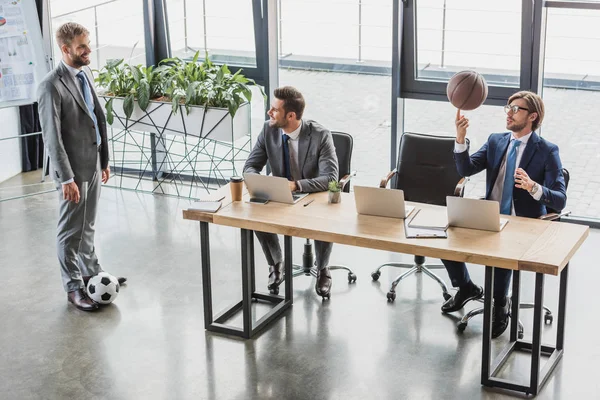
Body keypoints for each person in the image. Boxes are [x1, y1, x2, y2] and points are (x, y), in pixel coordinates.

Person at [440, 91, 566, 338]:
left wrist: (533, 187)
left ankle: (500, 304)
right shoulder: (496, 141)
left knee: (502, 251)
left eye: (516, 109)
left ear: (532, 116)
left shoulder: (547, 151)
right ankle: (466, 287)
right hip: (491, 215)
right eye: (508, 107)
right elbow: (466, 168)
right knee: (445, 236)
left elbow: (560, 200)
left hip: (524, 223)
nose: (508, 112)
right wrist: (461, 138)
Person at [38, 22, 126, 312]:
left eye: (88, 44)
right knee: (69, 231)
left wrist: (104, 161)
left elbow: (96, 119)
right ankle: (73, 286)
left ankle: (92, 273)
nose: (89, 50)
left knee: (87, 225)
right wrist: (66, 179)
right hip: (72, 173)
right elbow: (53, 138)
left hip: (93, 165)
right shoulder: (50, 86)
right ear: (65, 49)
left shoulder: (84, 73)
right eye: (82, 47)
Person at [243, 86, 339, 298]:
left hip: (313, 196)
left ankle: (322, 268)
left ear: (291, 115)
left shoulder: (320, 135)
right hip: (280, 195)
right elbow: (250, 166)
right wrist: (259, 181)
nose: (269, 113)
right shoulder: (269, 130)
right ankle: (276, 264)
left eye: (274, 110)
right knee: (257, 213)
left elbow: (330, 178)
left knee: (323, 216)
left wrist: (296, 185)